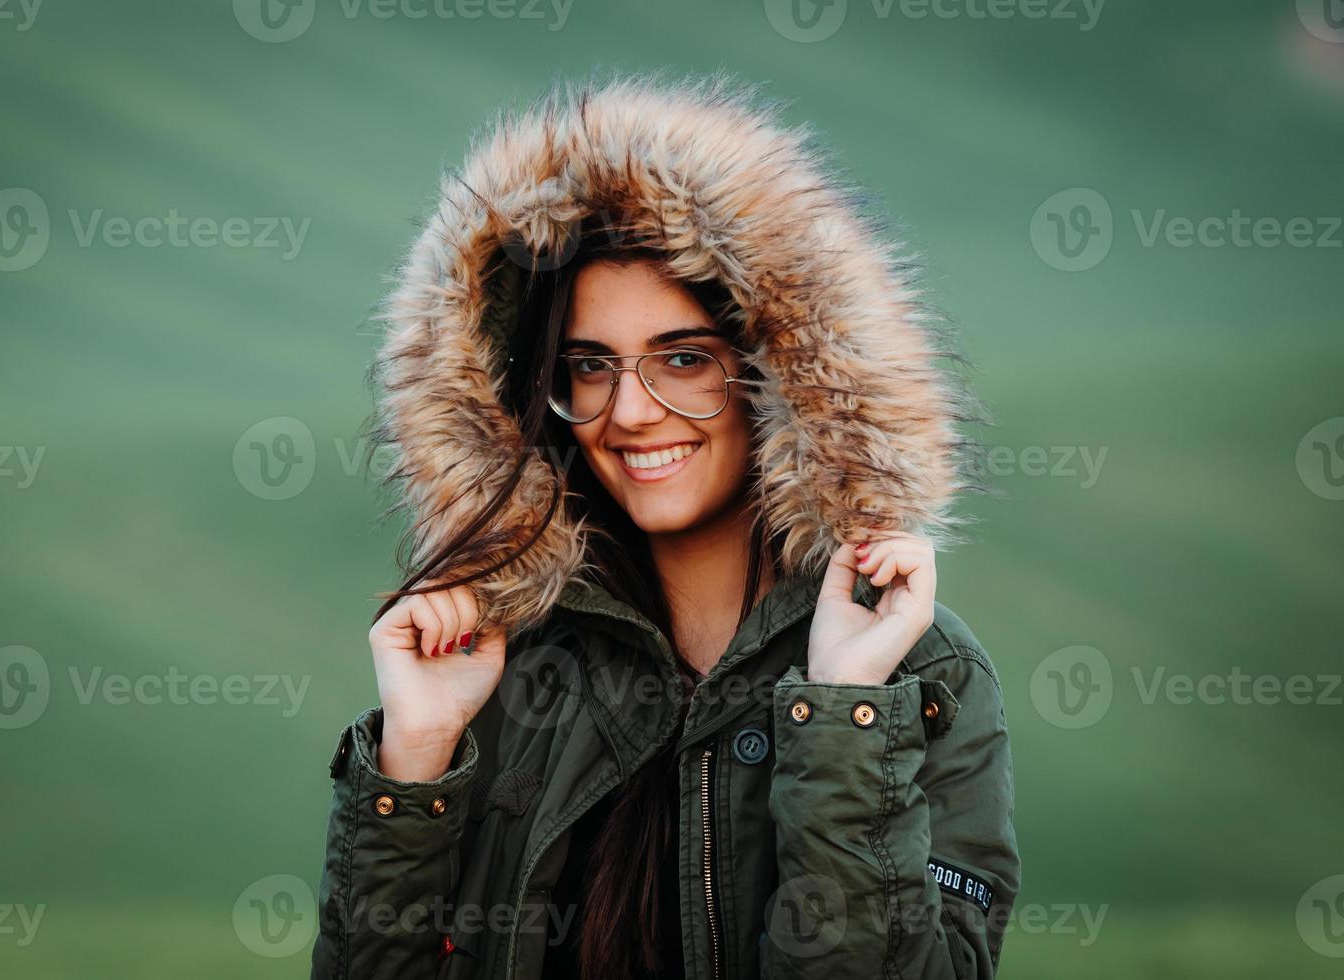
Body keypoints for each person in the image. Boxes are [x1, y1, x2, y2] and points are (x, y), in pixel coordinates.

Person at [309, 71, 1020, 980]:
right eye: (590, 365)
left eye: (683, 360)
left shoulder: (920, 671)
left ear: (785, 376)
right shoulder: (498, 666)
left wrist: (843, 710)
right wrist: (414, 760)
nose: (631, 412)